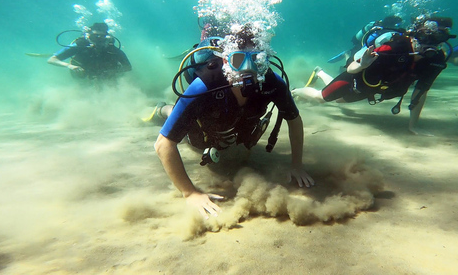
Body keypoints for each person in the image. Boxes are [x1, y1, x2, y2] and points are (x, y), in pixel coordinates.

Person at [152, 24, 315, 219]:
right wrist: (190, 192)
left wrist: (297, 165)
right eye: (238, 60)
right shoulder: (204, 84)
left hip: (240, 119)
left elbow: (294, 120)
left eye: (256, 60)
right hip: (204, 124)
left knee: (247, 139)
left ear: (264, 61)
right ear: (225, 60)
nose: (248, 69)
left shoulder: (272, 82)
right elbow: (163, 144)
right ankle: (165, 110)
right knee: (194, 139)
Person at [293, 16, 456, 136]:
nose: (428, 48)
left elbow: (421, 92)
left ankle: (319, 72)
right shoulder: (395, 46)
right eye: (426, 39)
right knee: (321, 98)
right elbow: (351, 69)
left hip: (370, 89)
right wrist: (362, 64)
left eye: (438, 41)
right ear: (417, 35)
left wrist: (413, 126)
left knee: (337, 101)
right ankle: (293, 91)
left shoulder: (435, 60)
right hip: (355, 78)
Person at [47, 22, 132, 80]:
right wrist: (70, 66)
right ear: (88, 36)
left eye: (101, 37)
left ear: (106, 37)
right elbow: (52, 60)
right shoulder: (80, 45)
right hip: (82, 77)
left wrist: (111, 72)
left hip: (106, 78)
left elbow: (128, 67)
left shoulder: (112, 49)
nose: (98, 40)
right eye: (95, 37)